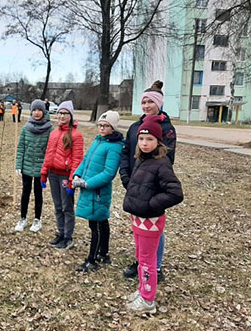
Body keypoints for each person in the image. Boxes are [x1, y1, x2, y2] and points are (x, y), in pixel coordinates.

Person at [123, 115, 183, 313]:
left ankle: (148, 300)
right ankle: (142, 290)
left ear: (158, 141)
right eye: (141, 139)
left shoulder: (162, 163)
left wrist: (151, 204)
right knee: (141, 257)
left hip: (151, 221)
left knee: (148, 261)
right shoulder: (141, 159)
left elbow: (175, 193)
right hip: (137, 219)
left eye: (149, 139)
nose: (144, 143)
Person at [119, 80, 176, 282]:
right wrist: (126, 176)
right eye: (143, 102)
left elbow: (167, 159)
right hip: (135, 185)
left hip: (153, 185)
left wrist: (152, 185)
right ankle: (141, 261)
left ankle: (156, 266)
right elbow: (126, 152)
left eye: (150, 102)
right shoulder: (136, 127)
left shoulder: (166, 128)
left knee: (154, 229)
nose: (146, 106)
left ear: (158, 103)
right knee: (139, 228)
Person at [72, 111, 124, 272]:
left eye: (105, 126)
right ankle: (103, 253)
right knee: (101, 222)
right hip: (89, 188)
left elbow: (109, 173)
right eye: (100, 125)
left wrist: (88, 183)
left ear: (113, 127)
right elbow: (86, 160)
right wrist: (77, 174)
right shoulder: (98, 141)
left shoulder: (115, 147)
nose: (101, 128)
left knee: (96, 225)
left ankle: (92, 260)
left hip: (98, 192)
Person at [41, 100, 83, 250]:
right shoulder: (53, 133)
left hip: (65, 176)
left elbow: (77, 159)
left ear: (71, 116)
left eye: (65, 113)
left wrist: (72, 180)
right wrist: (44, 173)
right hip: (53, 174)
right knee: (58, 206)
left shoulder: (76, 135)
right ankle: (60, 232)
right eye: (60, 113)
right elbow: (48, 154)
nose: (62, 116)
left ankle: (68, 236)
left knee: (67, 207)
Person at [14, 100, 53, 233]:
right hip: (26, 166)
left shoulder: (50, 129)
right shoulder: (26, 128)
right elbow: (21, 148)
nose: (37, 113)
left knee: (38, 193)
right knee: (25, 192)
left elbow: (50, 150)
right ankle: (23, 218)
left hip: (40, 168)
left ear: (44, 111)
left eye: (39, 110)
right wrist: (18, 165)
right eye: (34, 110)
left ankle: (37, 219)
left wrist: (46, 168)